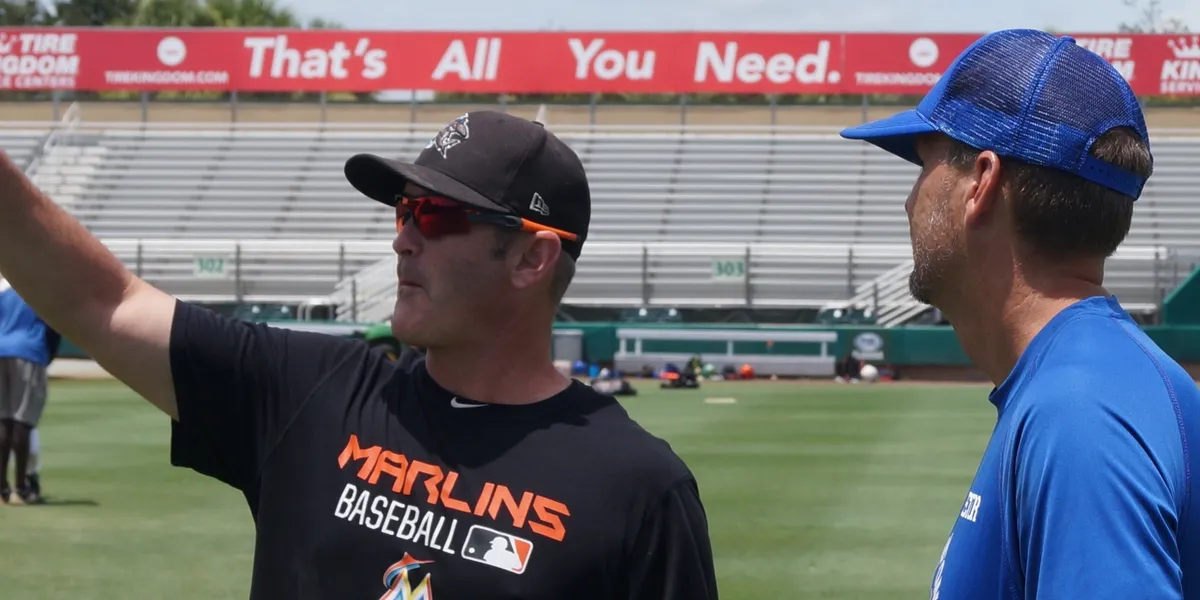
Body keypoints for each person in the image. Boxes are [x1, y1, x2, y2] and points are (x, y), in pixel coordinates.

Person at [0, 110, 718, 599]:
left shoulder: (640, 490)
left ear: (532, 258)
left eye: (436, 215)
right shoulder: (305, 394)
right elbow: (106, 301)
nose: (402, 238)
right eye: (404, 211)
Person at [842, 28, 1200, 599]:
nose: (908, 200)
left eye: (923, 165)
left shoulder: (1079, 414)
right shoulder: (1090, 384)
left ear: (981, 182)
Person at [0, 274, 56, 505]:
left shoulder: (3, 291)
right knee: (23, 420)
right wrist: (47, 356)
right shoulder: (39, 290)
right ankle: (22, 488)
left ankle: (2, 488)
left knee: (3, 419)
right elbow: (55, 328)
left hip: (1, 349)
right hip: (29, 350)